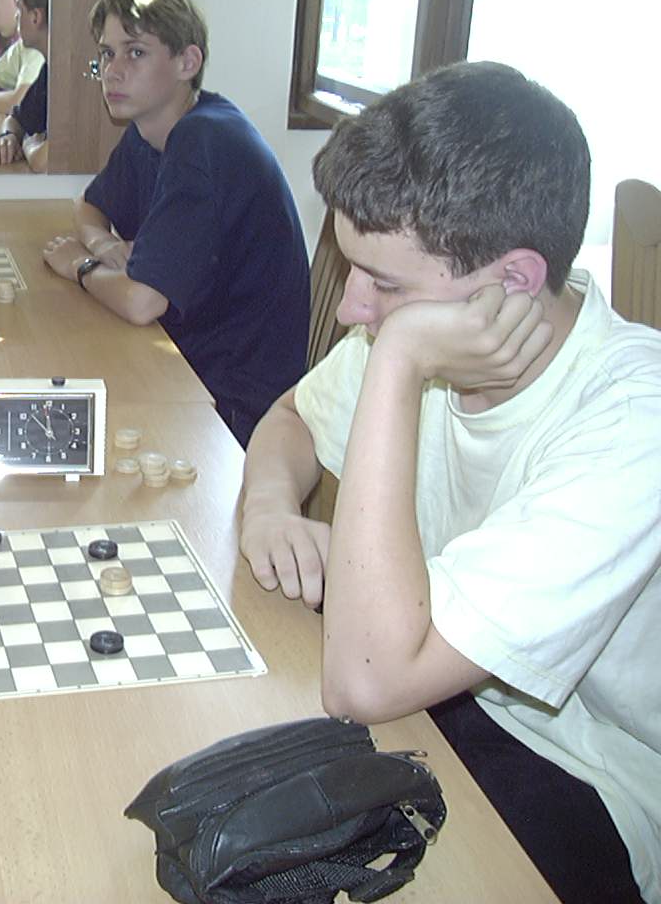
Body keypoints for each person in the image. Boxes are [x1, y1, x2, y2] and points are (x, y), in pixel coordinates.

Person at [238, 61, 660, 904]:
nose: (352, 308)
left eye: (385, 285)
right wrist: (270, 508)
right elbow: (291, 419)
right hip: (441, 691)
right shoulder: (427, 325)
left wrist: (399, 361)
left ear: (513, 281)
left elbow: (363, 681)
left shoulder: (632, 419)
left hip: (594, 775)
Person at [42, 0, 308, 447]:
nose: (113, 72)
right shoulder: (152, 128)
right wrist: (104, 245)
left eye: (136, 53)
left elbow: (141, 303)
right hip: (187, 361)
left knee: (63, 411)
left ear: (188, 62)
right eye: (106, 54)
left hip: (234, 411)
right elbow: (90, 205)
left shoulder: (203, 141)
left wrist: (79, 265)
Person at [0, 0, 48, 172]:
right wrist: (9, 136)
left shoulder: (69, 72)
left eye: (20, 8)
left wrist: (28, 144)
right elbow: (16, 118)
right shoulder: (49, 71)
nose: (16, 16)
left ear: (35, 17)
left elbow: (43, 160)